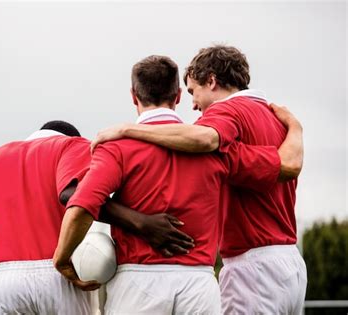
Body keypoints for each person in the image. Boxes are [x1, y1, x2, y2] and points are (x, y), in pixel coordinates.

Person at [54, 55, 303, 314]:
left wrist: (62, 258)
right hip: (201, 285)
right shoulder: (217, 151)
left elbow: (82, 204)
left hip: (139, 284)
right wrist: (296, 128)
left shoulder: (118, 146)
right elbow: (284, 166)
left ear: (133, 96)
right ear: (177, 96)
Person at [0, 119, 193, 314]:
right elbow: (76, 196)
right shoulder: (72, 145)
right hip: (59, 275)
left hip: (4, 281)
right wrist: (144, 223)